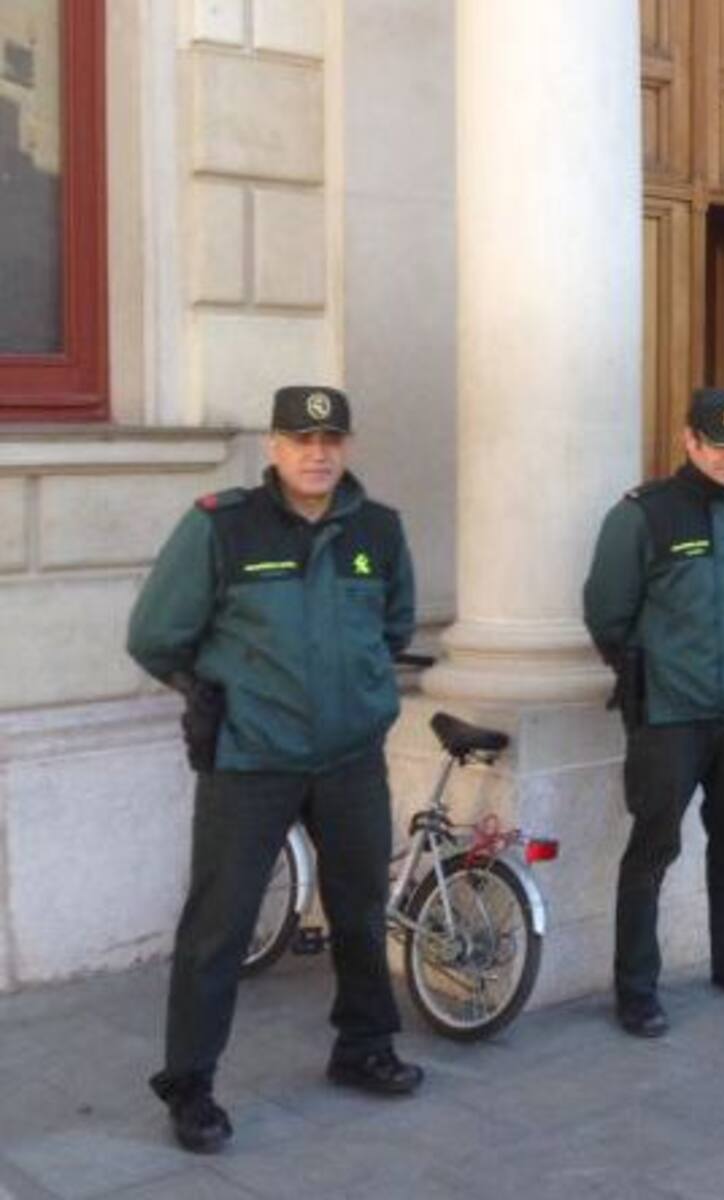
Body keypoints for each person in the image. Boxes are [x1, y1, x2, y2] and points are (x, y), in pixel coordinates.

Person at [127, 385, 423, 1154]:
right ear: (273, 446)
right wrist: (215, 696)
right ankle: (189, 1087)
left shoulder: (380, 531)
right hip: (251, 761)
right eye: (300, 440)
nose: (317, 453)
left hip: (351, 759)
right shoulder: (222, 527)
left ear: (347, 446)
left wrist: (356, 694)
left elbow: (392, 626)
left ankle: (363, 1045)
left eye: (331, 439)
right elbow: (157, 634)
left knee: (359, 910)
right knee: (219, 927)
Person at [583, 387, 724, 1037]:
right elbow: (607, 613)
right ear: (688, 441)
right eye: (718, 446)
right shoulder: (644, 515)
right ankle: (637, 989)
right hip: (670, 715)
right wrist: (656, 672)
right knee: (652, 851)